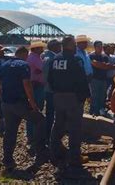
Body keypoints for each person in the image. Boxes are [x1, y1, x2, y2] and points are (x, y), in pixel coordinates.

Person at [0, 46, 48, 171]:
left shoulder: (5, 65)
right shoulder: (24, 65)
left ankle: (8, 159)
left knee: (10, 131)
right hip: (20, 103)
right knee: (40, 121)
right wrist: (33, 103)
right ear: (24, 54)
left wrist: (1, 97)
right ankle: (40, 152)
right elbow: (27, 84)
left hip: (7, 104)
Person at [47, 36, 90, 169]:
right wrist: (85, 96)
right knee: (74, 128)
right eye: (74, 43)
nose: (76, 45)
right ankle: (74, 158)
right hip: (73, 98)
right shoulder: (75, 59)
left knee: (58, 124)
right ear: (70, 45)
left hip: (58, 96)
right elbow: (82, 80)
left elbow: (50, 78)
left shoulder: (55, 59)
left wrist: (56, 91)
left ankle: (54, 152)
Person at [26, 40, 47, 144]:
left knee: (32, 109)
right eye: (40, 48)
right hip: (36, 85)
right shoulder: (35, 57)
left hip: (35, 85)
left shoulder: (33, 57)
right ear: (36, 49)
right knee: (36, 109)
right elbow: (43, 68)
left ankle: (31, 135)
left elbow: (41, 69)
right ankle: (33, 135)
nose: (42, 49)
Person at [42, 39, 62, 142]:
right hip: (52, 90)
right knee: (51, 114)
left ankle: (48, 135)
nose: (61, 47)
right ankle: (49, 136)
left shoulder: (46, 56)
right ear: (54, 47)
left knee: (50, 113)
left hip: (48, 89)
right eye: (59, 45)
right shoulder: (52, 58)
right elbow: (50, 77)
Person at [89, 41, 111, 116]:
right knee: (94, 97)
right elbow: (96, 64)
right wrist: (101, 65)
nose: (100, 47)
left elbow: (107, 66)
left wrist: (99, 64)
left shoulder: (104, 56)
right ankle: (93, 113)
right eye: (98, 46)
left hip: (103, 79)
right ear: (95, 47)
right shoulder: (91, 55)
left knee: (102, 97)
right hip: (94, 79)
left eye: (101, 46)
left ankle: (100, 113)